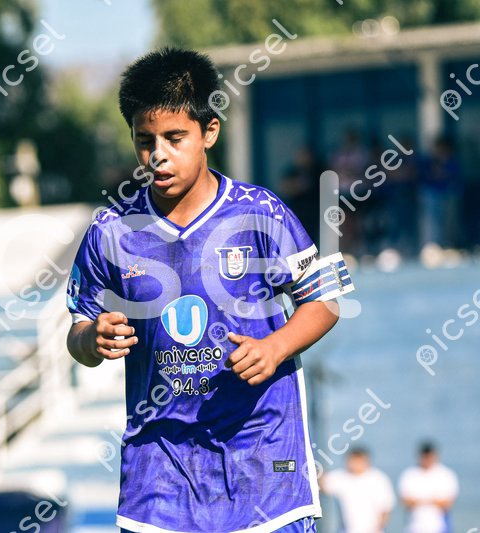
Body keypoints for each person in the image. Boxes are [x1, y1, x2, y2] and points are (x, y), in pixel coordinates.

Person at [65, 48, 355, 533]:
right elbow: (77, 331)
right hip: (159, 477)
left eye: (174, 138)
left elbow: (325, 302)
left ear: (209, 131)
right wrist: (91, 339)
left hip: (264, 467)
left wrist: (275, 347)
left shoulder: (261, 212)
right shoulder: (111, 230)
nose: (158, 155)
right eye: (144, 141)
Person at [320, 448, 395, 533]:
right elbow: (322, 485)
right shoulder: (340, 477)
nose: (355, 464)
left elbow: (386, 508)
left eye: (358, 461)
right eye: (353, 461)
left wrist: (378, 527)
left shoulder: (378, 479)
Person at [398, 442, 459, 533]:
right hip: (414, 525)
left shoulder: (446, 474)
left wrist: (420, 501)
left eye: (429, 456)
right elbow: (405, 501)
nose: (427, 459)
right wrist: (433, 500)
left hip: (440, 526)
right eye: (425, 456)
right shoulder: (410, 474)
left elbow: (448, 502)